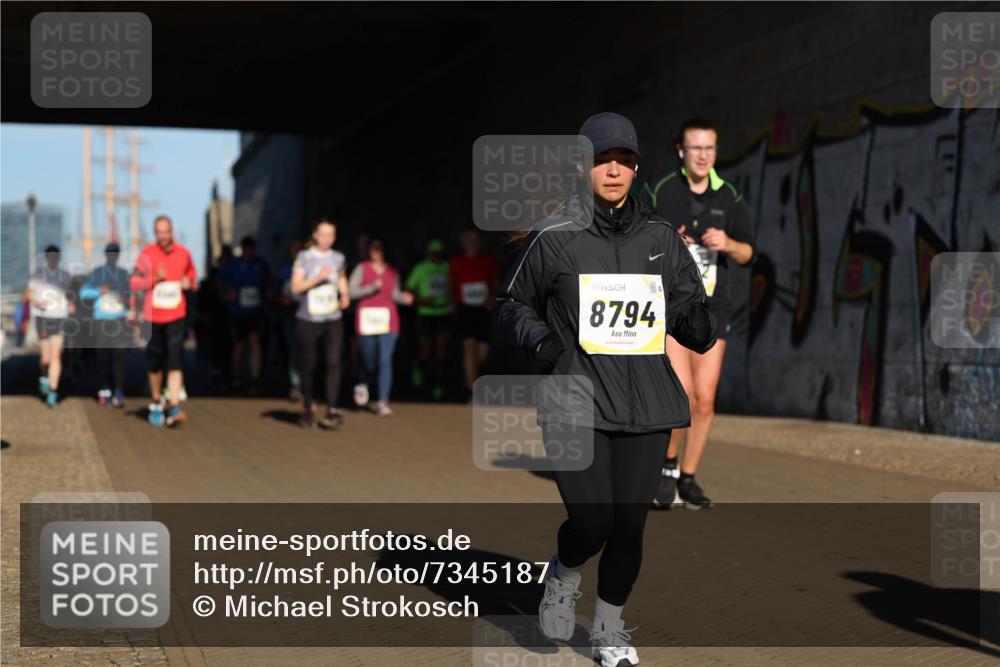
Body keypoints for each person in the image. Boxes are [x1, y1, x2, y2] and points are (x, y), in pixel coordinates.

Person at [499, 112, 716, 667]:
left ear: (637, 168)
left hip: (646, 403)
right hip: (574, 398)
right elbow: (513, 303)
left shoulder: (662, 237)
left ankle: (609, 629)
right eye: (602, 160)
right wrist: (543, 344)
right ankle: (564, 571)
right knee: (592, 522)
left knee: (629, 525)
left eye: (624, 161)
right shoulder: (555, 237)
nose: (614, 170)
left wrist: (696, 323)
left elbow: (689, 302)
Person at [642, 117, 755, 510]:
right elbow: (638, 240)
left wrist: (728, 243)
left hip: (714, 304)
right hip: (671, 305)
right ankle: (666, 467)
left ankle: (688, 477)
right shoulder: (660, 190)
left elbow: (748, 253)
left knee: (705, 399)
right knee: (682, 393)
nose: (703, 155)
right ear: (681, 151)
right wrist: (667, 241)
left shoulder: (729, 196)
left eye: (710, 148)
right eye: (696, 148)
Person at [130, 215, 197, 427]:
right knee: (155, 363)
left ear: (172, 231)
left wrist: (189, 283)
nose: (163, 236)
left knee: (175, 359)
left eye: (166, 232)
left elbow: (193, 278)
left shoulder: (184, 253)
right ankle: (157, 399)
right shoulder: (146, 254)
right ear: (155, 233)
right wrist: (154, 279)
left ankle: (175, 405)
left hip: (176, 314)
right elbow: (133, 283)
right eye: (159, 232)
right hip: (153, 317)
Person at [290, 219, 350, 429]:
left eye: (331, 235)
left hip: (332, 318)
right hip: (309, 319)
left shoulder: (338, 257)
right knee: (309, 364)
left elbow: (341, 278)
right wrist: (317, 279)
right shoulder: (304, 258)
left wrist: (344, 294)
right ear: (315, 235)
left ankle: (331, 409)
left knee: (334, 362)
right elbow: (295, 288)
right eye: (324, 234)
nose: (327, 239)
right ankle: (308, 405)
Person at [348, 238, 414, 416]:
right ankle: (363, 380)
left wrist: (404, 298)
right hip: (367, 320)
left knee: (385, 361)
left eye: (380, 249)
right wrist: (370, 288)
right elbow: (351, 291)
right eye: (374, 249)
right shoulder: (362, 268)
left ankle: (382, 400)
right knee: (370, 360)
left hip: (388, 321)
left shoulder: (392, 272)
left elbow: (394, 294)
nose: (376, 252)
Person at [79, 242, 131, 407]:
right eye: (110, 253)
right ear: (106, 254)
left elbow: (131, 294)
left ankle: (119, 390)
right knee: (103, 357)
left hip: (119, 319)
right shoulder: (96, 273)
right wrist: (99, 291)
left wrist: (126, 298)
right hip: (101, 320)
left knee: (120, 355)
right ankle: (105, 388)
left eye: (115, 253)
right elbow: (83, 293)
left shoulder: (124, 274)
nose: (112, 256)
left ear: (118, 255)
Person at [449, 229, 499, 398]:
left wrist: (492, 298)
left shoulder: (487, 261)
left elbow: (495, 282)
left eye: (474, 239)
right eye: (468, 239)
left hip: (482, 309)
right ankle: (472, 391)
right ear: (463, 242)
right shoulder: (456, 262)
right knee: (468, 348)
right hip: (465, 308)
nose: (471, 242)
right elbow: (451, 283)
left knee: (482, 353)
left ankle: (471, 375)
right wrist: (452, 303)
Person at [219, 236, 271, 394]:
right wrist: (227, 293)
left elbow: (269, 281)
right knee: (240, 345)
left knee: (255, 343)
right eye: (246, 249)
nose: (248, 252)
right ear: (242, 249)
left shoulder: (260, 265)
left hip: (255, 311)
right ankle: (237, 376)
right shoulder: (233, 265)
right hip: (238, 312)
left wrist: (267, 294)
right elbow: (219, 281)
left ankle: (255, 378)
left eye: (251, 249)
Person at [405, 239, 452, 400]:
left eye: (439, 253)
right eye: (433, 253)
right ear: (428, 253)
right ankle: (419, 370)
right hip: (425, 313)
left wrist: (451, 301)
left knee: (441, 350)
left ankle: (439, 385)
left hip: (442, 312)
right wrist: (423, 301)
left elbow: (453, 286)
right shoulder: (421, 268)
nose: (436, 256)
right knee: (425, 350)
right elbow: (409, 289)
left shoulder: (447, 268)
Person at [29, 245, 75, 407]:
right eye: (51, 256)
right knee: (46, 359)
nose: (53, 258)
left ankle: (53, 391)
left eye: (56, 256)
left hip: (59, 317)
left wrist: (71, 304)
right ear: (47, 257)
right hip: (43, 317)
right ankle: (45, 376)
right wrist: (37, 302)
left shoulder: (65, 276)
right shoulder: (38, 275)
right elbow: (27, 294)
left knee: (56, 355)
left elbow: (70, 294)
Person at [274, 240, 304, 401]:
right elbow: (274, 293)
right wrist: (281, 300)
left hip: (310, 316)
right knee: (294, 348)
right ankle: (296, 384)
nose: (297, 253)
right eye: (294, 249)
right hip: (290, 315)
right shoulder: (283, 271)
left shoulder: (311, 270)